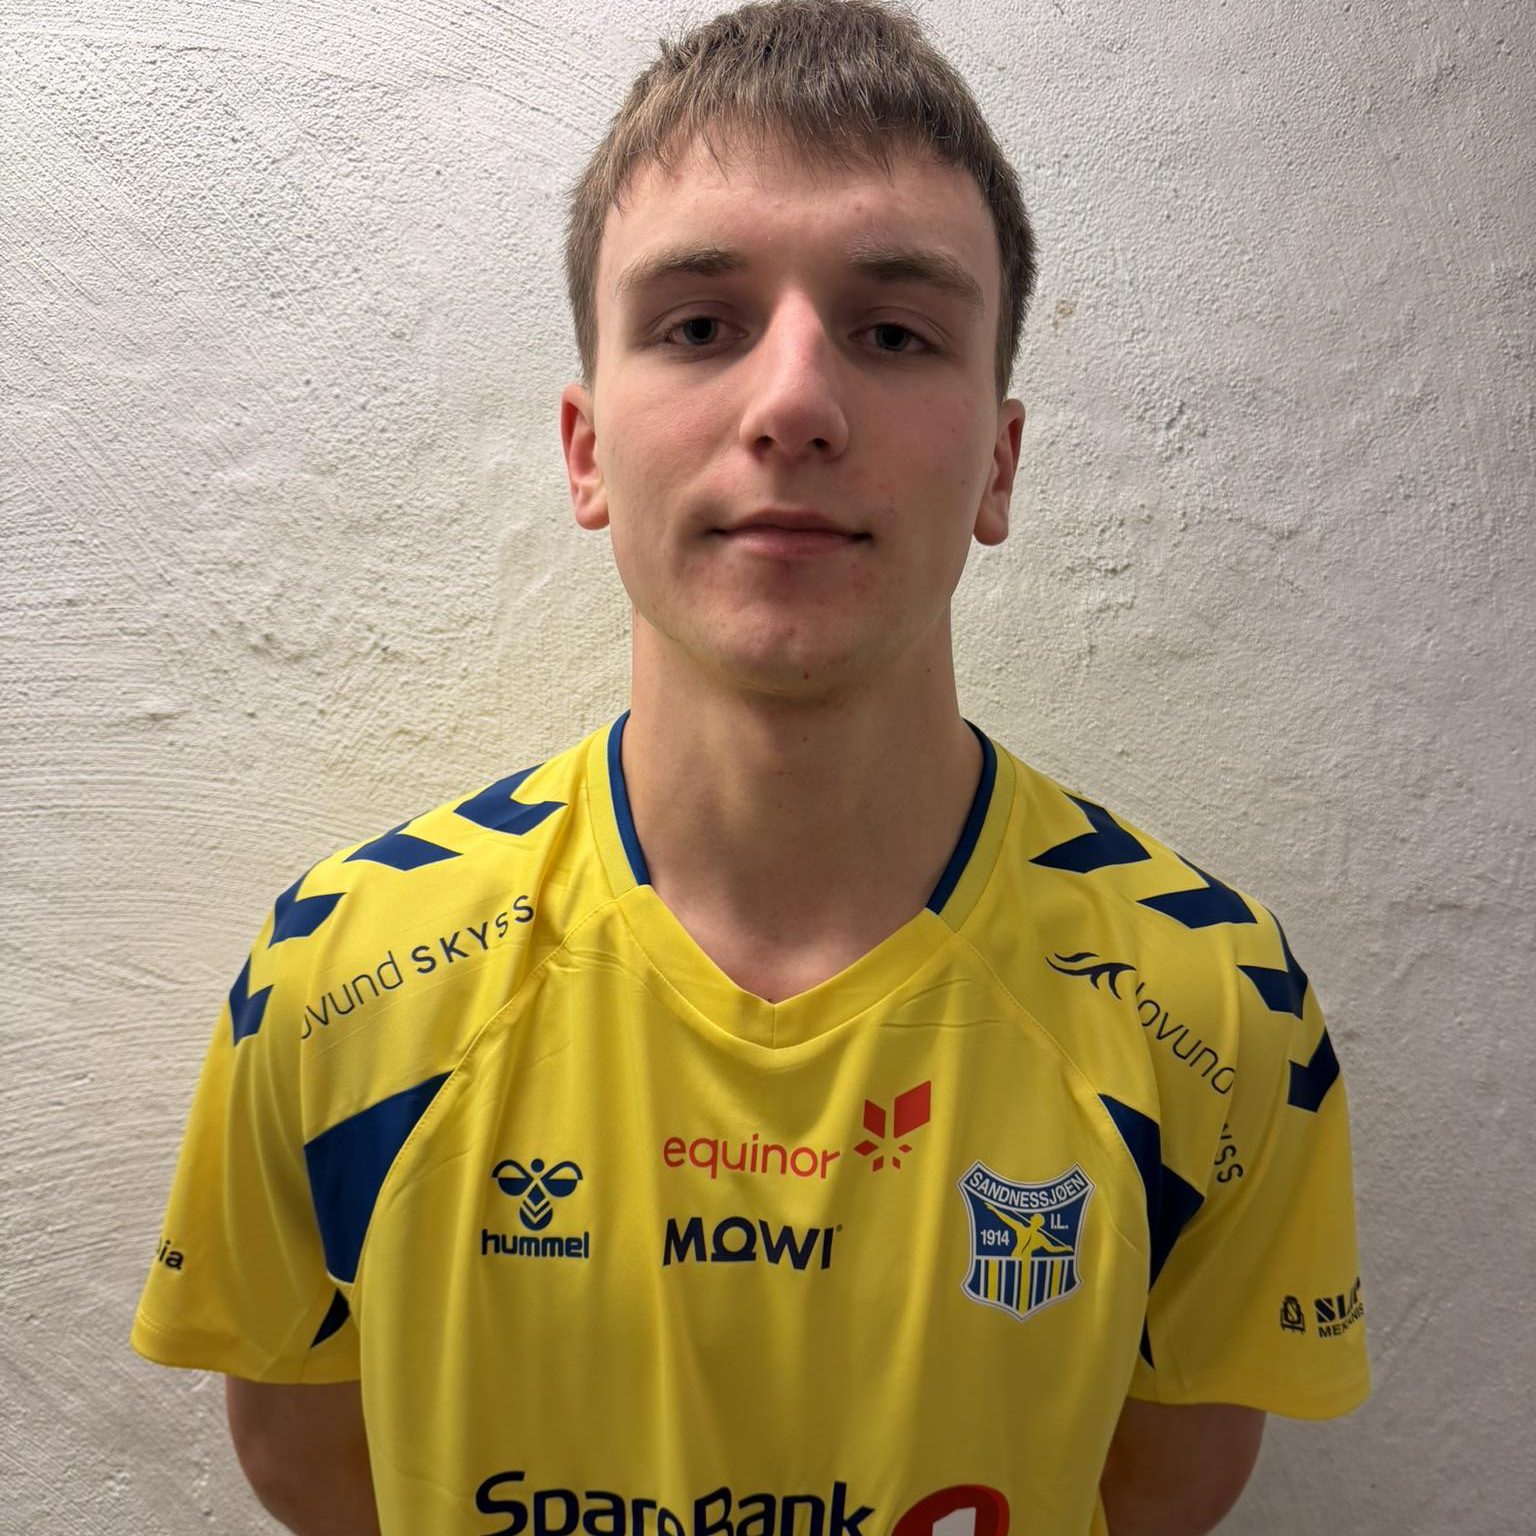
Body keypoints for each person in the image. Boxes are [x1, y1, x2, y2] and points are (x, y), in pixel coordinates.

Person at [131, 3, 1370, 1533]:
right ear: (588, 450)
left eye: (894, 332)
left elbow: (1157, 1488)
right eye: (700, 326)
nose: (793, 405)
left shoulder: (1214, 1008)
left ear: (998, 463)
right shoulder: (339, 977)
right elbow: (316, 1462)